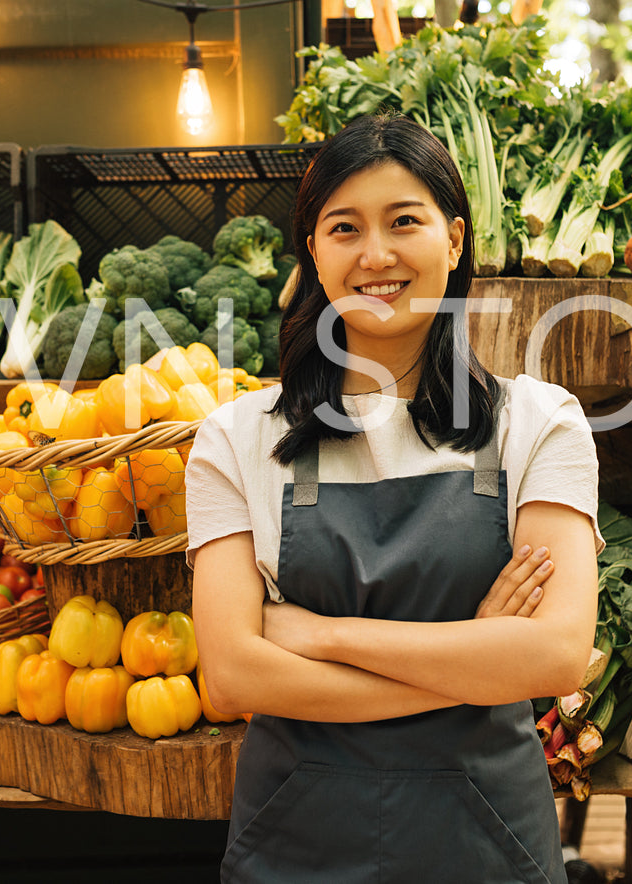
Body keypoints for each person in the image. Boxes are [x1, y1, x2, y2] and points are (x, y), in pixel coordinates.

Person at [186, 111, 603, 882]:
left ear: (452, 238)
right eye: (343, 228)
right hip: (296, 849)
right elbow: (233, 675)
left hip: (484, 849)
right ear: (312, 251)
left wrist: (320, 635)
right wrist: (473, 657)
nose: (374, 255)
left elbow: (554, 654)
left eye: (402, 221)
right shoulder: (234, 439)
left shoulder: (539, 423)